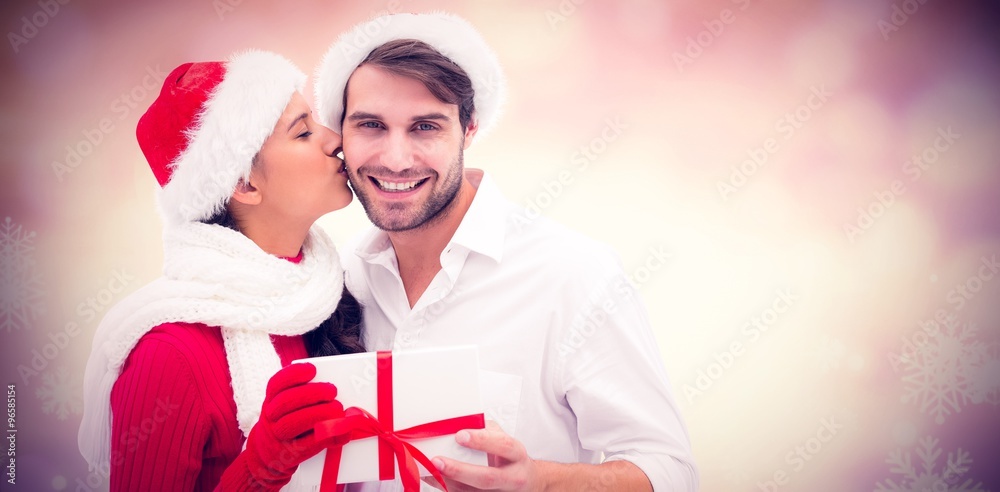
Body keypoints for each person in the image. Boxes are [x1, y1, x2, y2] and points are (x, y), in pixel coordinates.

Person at [313, 12, 698, 492]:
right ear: (341, 134)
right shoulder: (336, 278)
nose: (395, 158)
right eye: (371, 124)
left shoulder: (572, 273)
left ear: (469, 129)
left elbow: (670, 471)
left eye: (425, 127)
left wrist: (540, 480)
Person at [78, 50, 363, 492]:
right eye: (303, 132)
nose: (334, 139)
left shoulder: (330, 295)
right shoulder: (168, 353)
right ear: (244, 185)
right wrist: (260, 470)